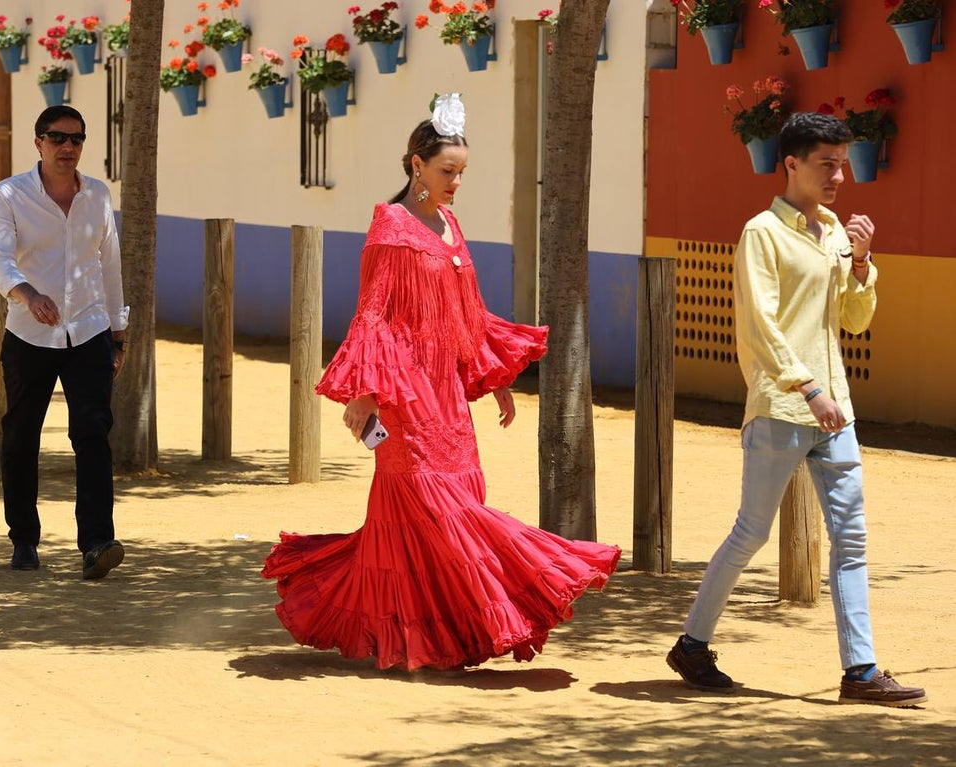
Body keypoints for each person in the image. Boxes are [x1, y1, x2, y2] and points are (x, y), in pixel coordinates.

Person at [261, 94, 621, 671]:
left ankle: (438, 636)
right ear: (417, 165)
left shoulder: (450, 224)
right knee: (431, 502)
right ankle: (529, 575)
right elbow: (373, 313)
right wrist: (366, 392)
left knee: (447, 502)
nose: (455, 183)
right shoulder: (391, 225)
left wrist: (493, 375)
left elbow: (466, 312)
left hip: (447, 391)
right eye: (447, 171)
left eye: (461, 173)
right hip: (403, 393)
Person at [665, 112, 926, 707]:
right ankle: (692, 645)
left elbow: (854, 321)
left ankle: (861, 671)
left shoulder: (834, 231)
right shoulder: (761, 233)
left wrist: (861, 263)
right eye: (826, 163)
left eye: (843, 164)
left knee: (852, 540)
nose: (838, 175)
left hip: (836, 411)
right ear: (791, 163)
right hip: (785, 406)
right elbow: (761, 324)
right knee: (750, 532)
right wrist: (808, 388)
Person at [0, 105, 129, 580]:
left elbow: (110, 265)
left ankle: (97, 543)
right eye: (57, 137)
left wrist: (118, 334)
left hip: (89, 332)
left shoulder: (98, 195)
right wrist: (27, 294)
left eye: (76, 139)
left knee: (92, 434)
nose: (67, 147)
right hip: (29, 334)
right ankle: (24, 539)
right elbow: (1, 260)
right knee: (21, 436)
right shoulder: (9, 194)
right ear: (39, 142)